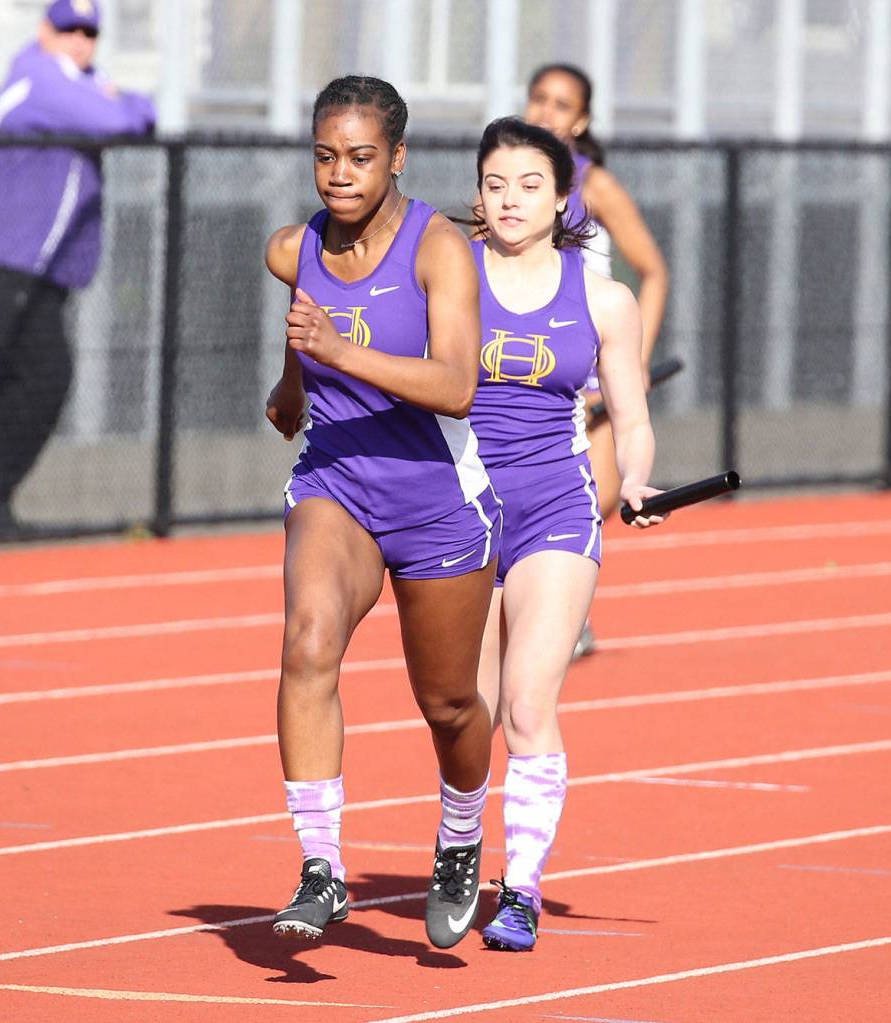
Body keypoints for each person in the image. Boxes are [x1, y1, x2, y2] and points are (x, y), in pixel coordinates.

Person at [263, 75, 501, 950]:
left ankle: (463, 831)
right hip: (338, 482)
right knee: (306, 639)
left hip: (436, 499)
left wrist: (340, 350)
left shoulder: (439, 248)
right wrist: (293, 386)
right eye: (325, 156)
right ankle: (321, 867)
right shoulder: (293, 249)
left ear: (396, 158)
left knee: (447, 703)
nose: (340, 174)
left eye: (360, 157)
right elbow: (301, 332)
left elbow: (456, 387)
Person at [465, 117, 666, 951]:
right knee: (463, 711)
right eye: (495, 184)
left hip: (555, 505)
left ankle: (521, 886)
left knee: (525, 700)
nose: (510, 200)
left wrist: (637, 479)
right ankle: (456, 853)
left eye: (529, 185)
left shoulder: (600, 296)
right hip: (458, 514)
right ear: (477, 193)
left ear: (560, 198)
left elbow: (631, 416)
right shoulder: (445, 276)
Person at [0, 0, 155, 541]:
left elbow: (145, 110)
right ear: (45, 30)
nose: (80, 41)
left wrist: (121, 101)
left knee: (6, 379)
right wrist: (117, 101)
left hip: (38, 269)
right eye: (69, 30)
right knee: (45, 375)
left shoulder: (79, 81)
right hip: (7, 263)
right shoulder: (43, 79)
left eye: (90, 32)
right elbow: (119, 118)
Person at [525, 63, 669, 657]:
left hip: (590, 377)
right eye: (539, 99)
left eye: (562, 104)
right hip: (525, 369)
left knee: (596, 499)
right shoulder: (507, 179)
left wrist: (632, 368)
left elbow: (654, 271)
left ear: (581, 120)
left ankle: (565, 614)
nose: (546, 112)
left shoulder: (596, 186)